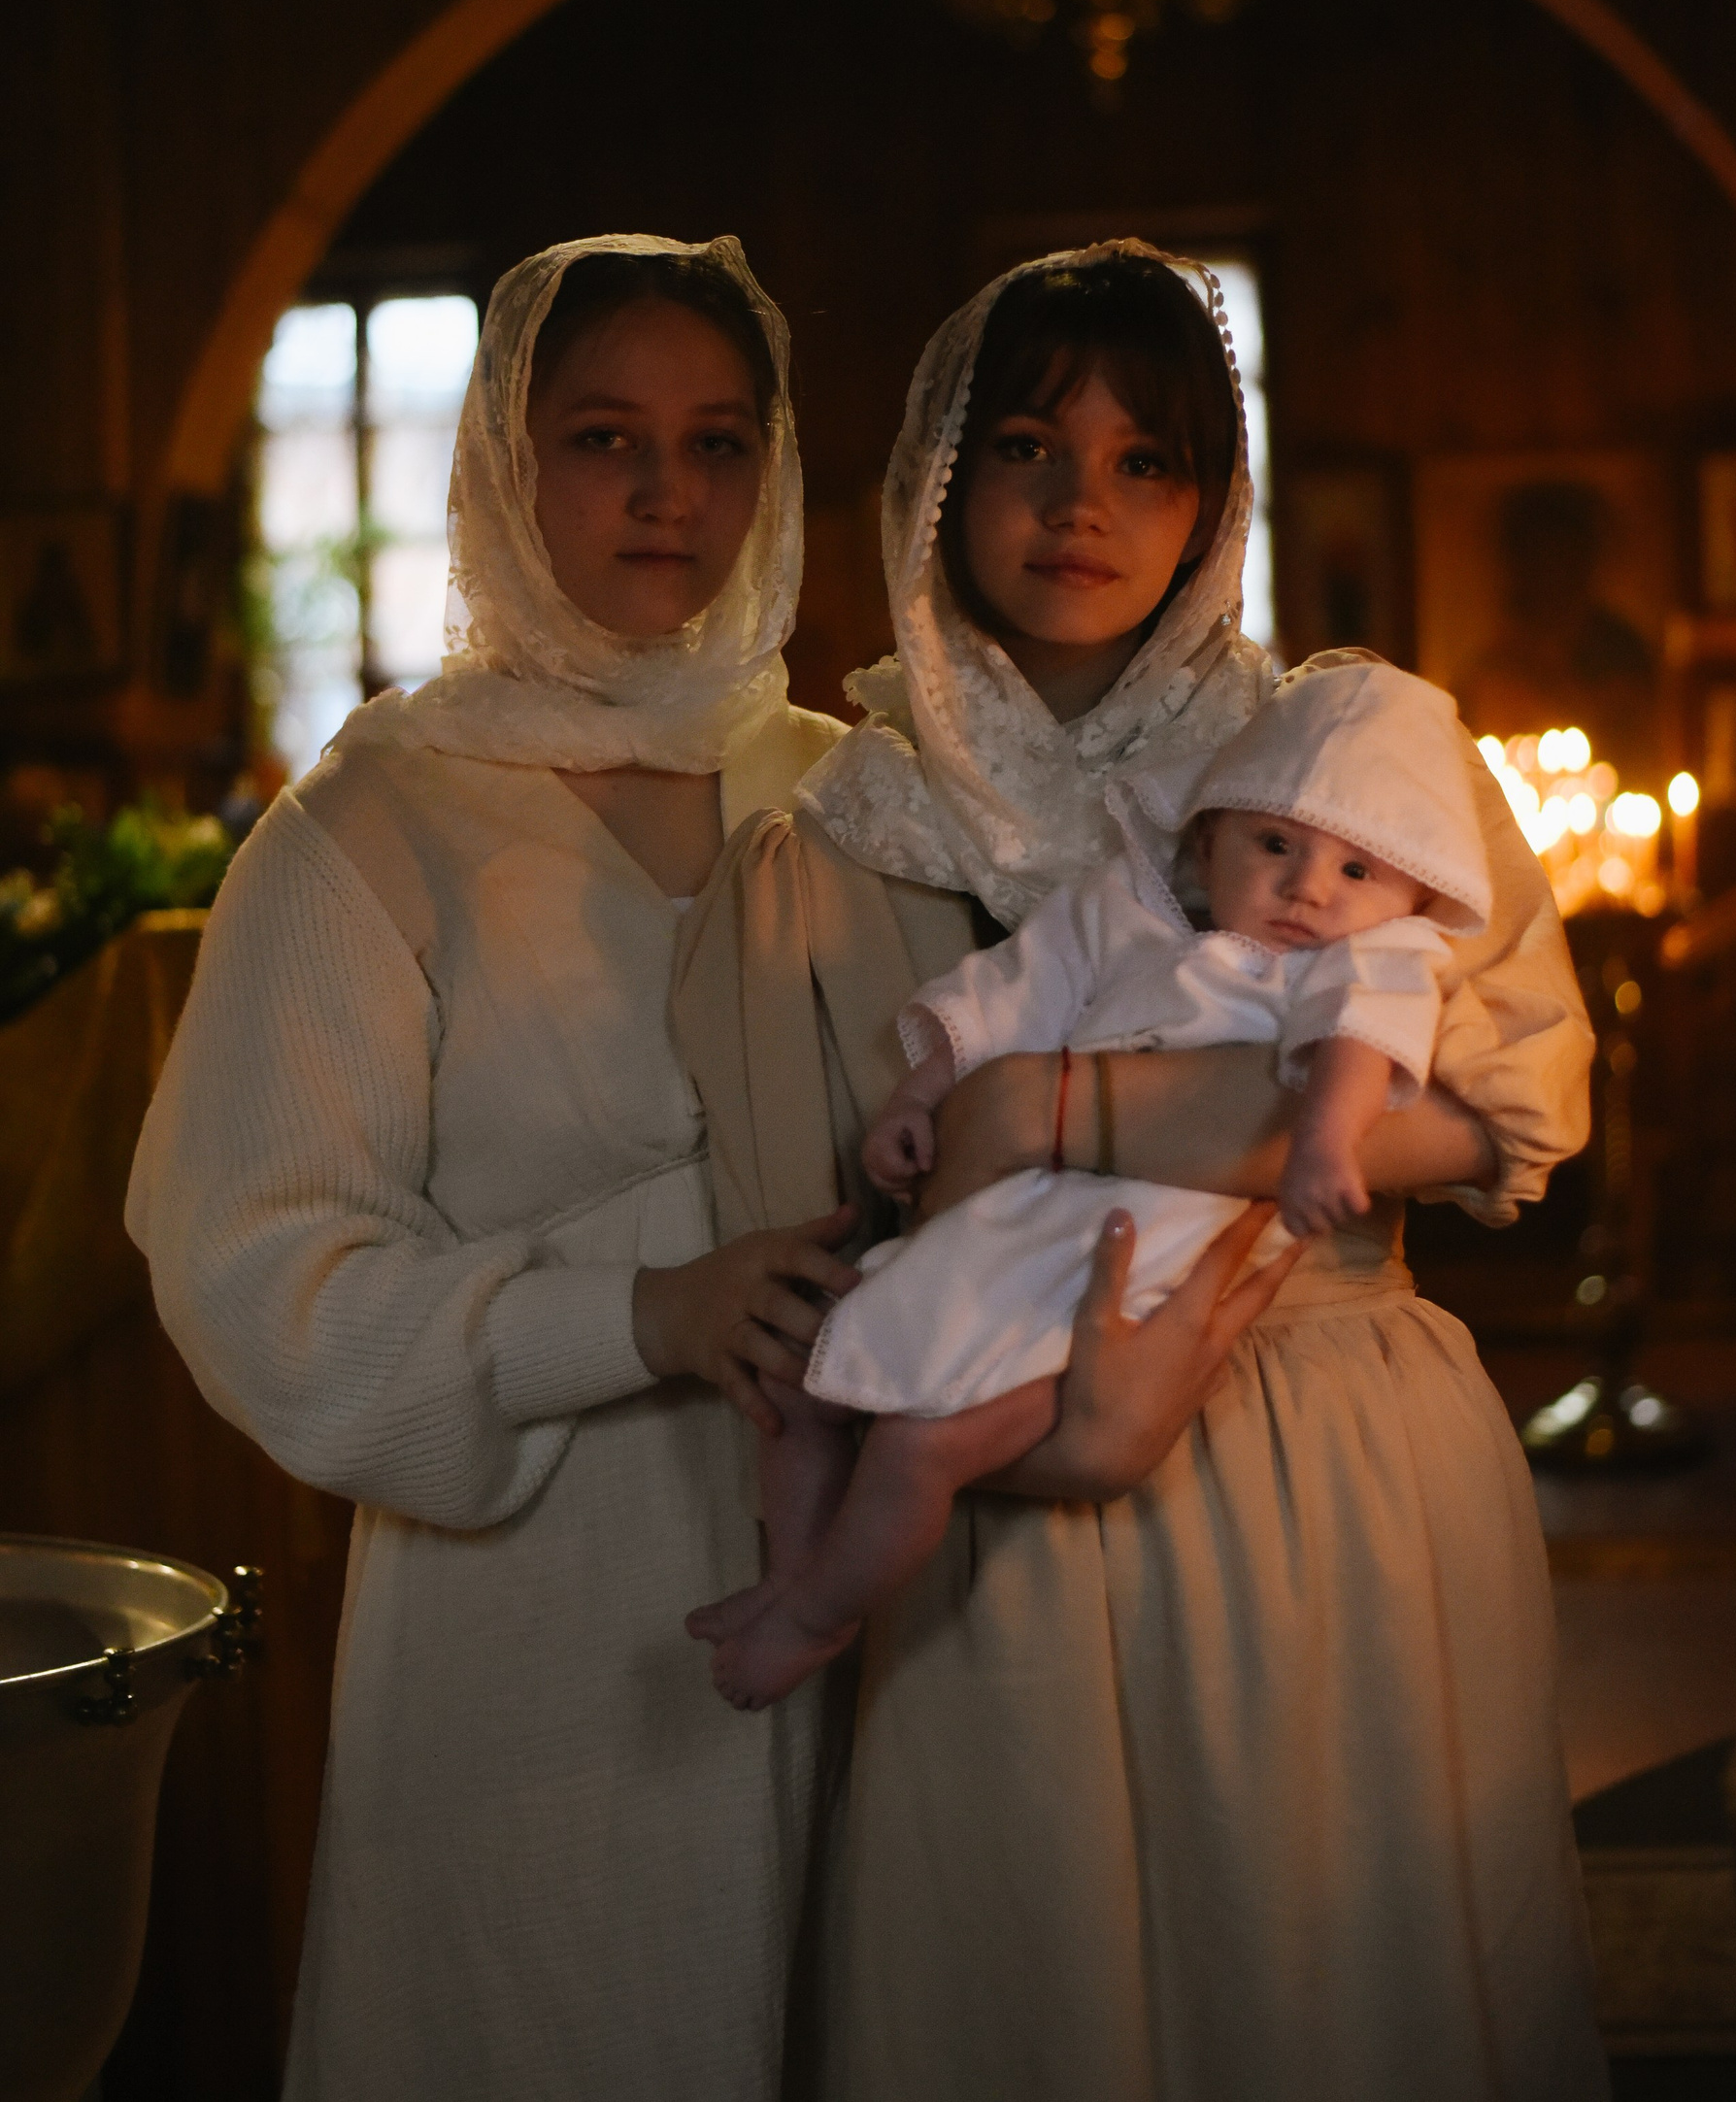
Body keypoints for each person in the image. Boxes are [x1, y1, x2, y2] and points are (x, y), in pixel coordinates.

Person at [674, 241, 1608, 2101]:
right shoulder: (828, 840)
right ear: (939, 476)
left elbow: (1506, 1122)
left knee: (1327, 1983)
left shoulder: (1355, 767)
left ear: (1214, 497)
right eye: (1027, 447)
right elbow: (824, 1218)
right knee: (1039, 1989)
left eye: (1145, 460)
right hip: (987, 1480)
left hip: (1324, 1432)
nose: (1079, 506)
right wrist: (1045, 1338)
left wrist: (1051, 1116)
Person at [126, 235, 859, 2102]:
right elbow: (257, 1272)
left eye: (717, 442)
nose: (667, 491)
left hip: (868, 1589)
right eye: (606, 437)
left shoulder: (851, 794)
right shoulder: (370, 827)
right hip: (541, 1627)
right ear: (504, 466)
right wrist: (636, 1312)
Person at [695, 658, 1488, 1709]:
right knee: (806, 1390)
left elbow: (1361, 1043)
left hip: (1127, 1285)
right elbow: (1017, 991)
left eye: (1357, 868)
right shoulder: (1134, 917)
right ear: (1209, 838)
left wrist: (1325, 1143)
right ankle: (792, 1575)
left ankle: (819, 1619)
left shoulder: (1371, 956)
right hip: (1013, 1222)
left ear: (1414, 891)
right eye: (1275, 844)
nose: (1309, 889)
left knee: (919, 1450)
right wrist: (919, 1097)